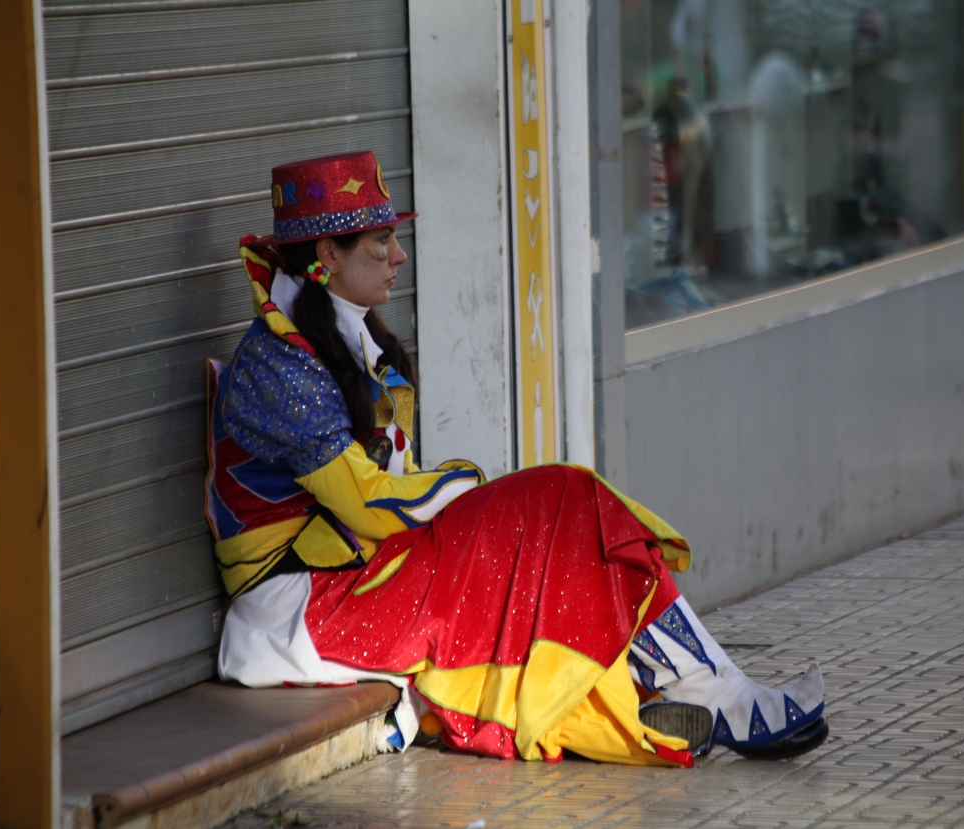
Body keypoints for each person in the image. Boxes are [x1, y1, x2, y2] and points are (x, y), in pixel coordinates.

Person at [205, 151, 828, 767]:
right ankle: (702, 699)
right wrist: (470, 487)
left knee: (560, 528)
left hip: (362, 575)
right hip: (304, 607)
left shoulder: (350, 341)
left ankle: (676, 704)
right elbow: (367, 504)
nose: (399, 257)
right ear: (329, 256)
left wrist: (471, 504)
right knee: (559, 503)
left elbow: (386, 500)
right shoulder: (277, 363)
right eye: (382, 241)